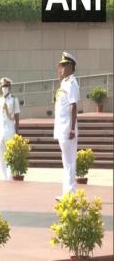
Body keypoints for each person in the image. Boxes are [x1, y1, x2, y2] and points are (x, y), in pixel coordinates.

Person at [54, 52, 79, 200]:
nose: (61, 68)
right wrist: (60, 78)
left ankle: (70, 194)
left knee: (69, 162)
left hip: (68, 128)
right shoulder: (64, 82)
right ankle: (66, 193)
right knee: (66, 162)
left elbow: (73, 105)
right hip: (61, 127)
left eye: (63, 65)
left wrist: (71, 128)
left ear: (70, 66)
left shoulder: (72, 83)